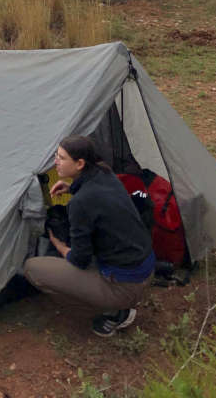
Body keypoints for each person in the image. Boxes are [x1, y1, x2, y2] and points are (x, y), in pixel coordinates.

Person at [23, 134, 155, 337]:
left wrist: (59, 246)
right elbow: (99, 201)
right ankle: (117, 300)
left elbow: (80, 259)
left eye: (61, 158)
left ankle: (114, 312)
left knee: (33, 268)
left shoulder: (80, 203)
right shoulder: (105, 173)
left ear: (80, 163)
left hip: (125, 285)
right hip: (144, 267)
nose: (55, 161)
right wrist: (73, 188)